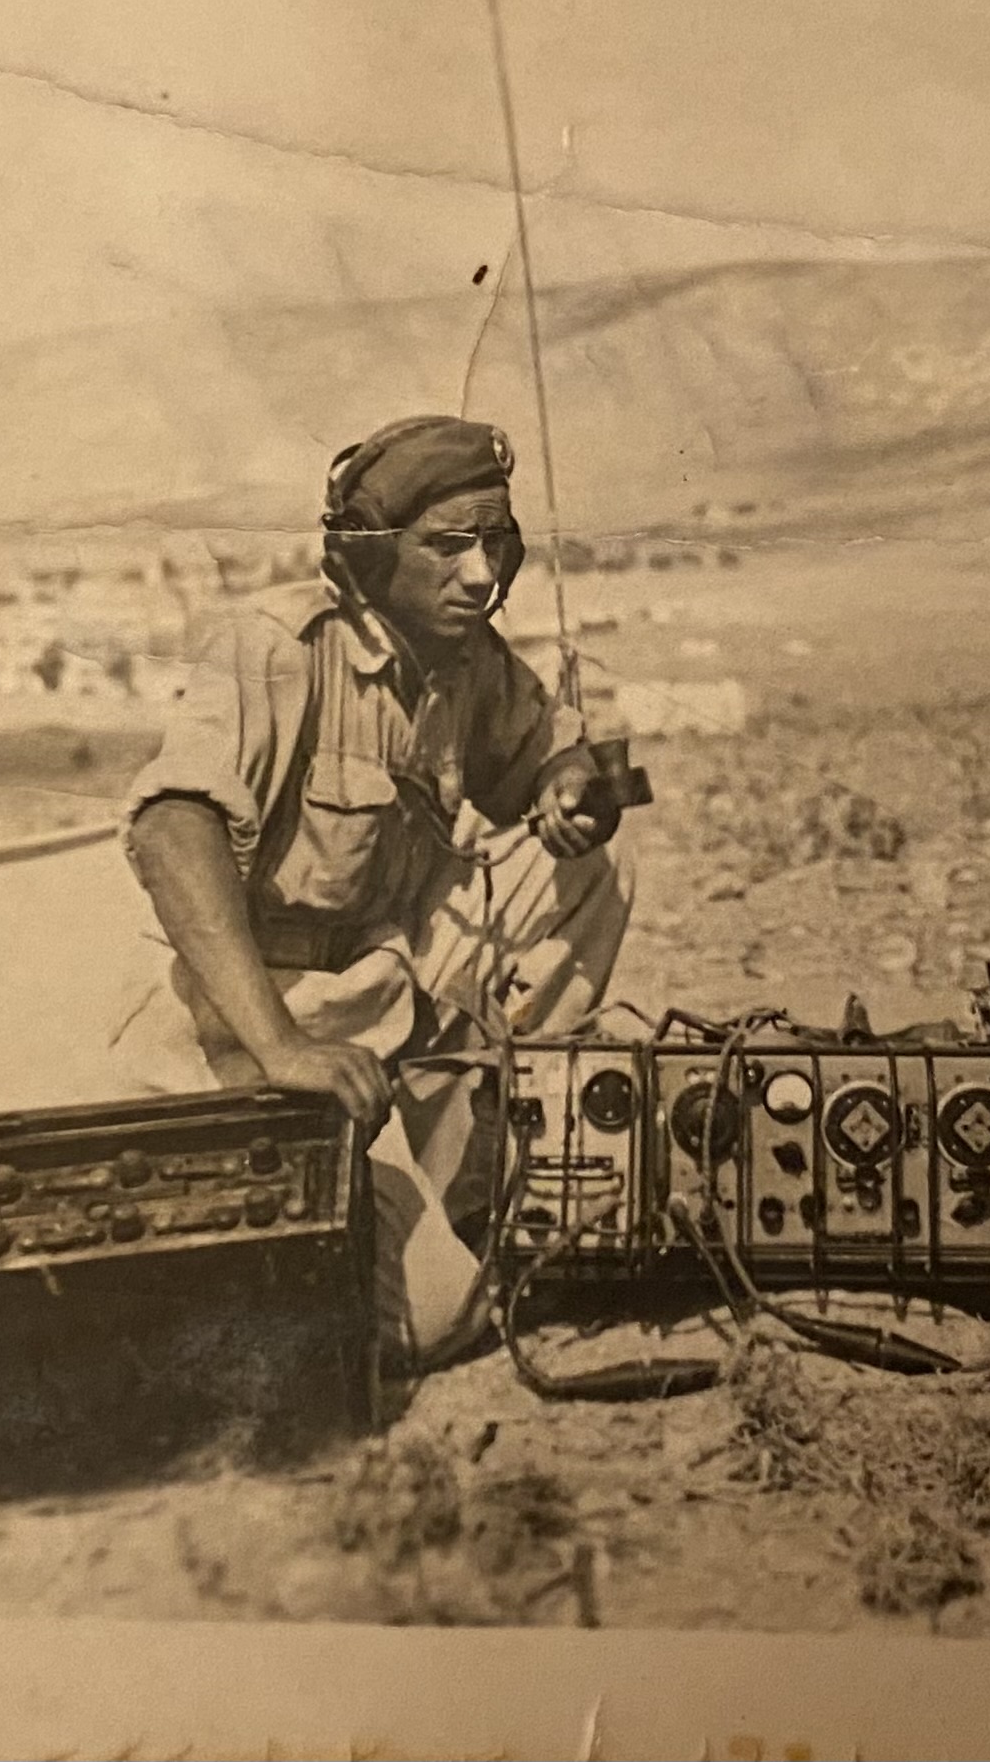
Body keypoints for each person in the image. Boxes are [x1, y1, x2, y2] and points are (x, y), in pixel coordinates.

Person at [110, 415, 635, 1361]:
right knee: (421, 1325)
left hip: (383, 996)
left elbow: (547, 755)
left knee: (589, 868)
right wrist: (281, 1044)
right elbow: (169, 827)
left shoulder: (462, 658)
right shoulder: (277, 645)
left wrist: (570, 787)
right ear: (368, 555)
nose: (481, 575)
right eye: (446, 546)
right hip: (250, 1017)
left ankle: (464, 1139)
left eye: (495, 542)